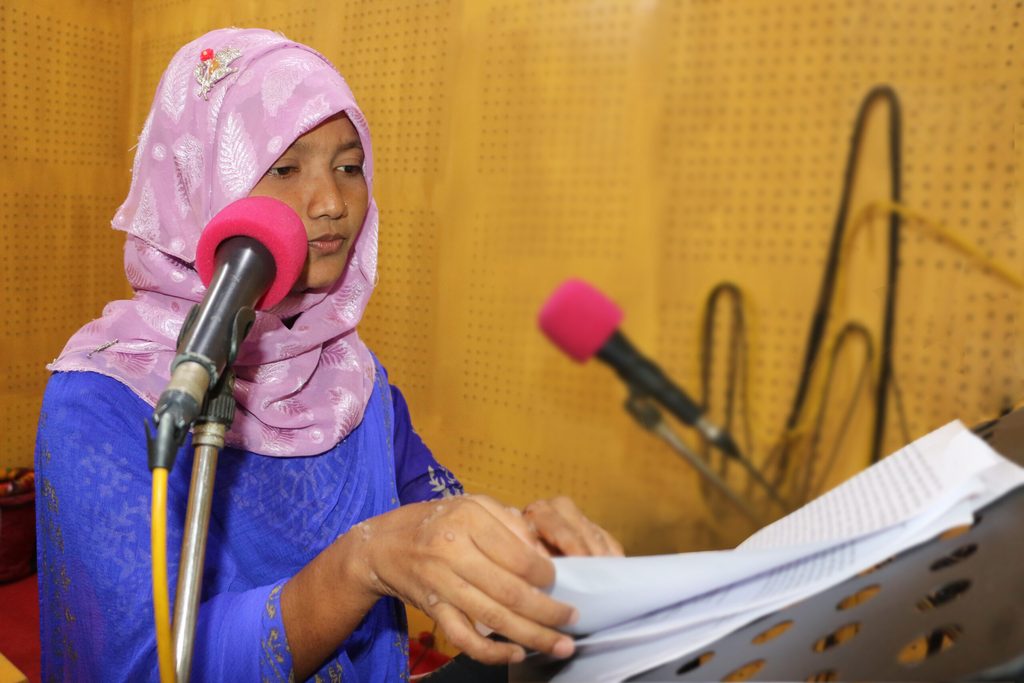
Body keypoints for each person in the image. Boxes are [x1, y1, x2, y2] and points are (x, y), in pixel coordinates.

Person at [35, 27, 623, 682]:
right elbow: (140, 666)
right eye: (285, 168)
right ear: (193, 183)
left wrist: (524, 557)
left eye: (348, 166)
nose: (332, 203)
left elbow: (425, 520)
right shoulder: (100, 399)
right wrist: (357, 566)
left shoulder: (354, 381)